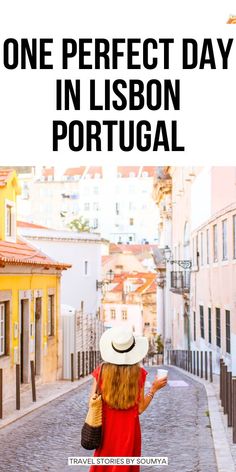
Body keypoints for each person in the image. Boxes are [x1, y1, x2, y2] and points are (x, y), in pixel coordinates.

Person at [88, 326, 168, 472]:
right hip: (129, 431)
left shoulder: (101, 371)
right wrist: (153, 389)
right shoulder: (139, 373)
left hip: (106, 429)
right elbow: (140, 409)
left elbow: (92, 402)